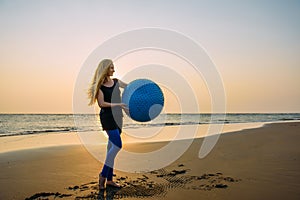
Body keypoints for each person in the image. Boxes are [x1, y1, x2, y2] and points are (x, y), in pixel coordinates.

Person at [87, 59, 127, 189]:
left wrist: (141, 88)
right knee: (117, 145)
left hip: (118, 117)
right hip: (107, 117)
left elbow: (128, 86)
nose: (113, 70)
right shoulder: (100, 87)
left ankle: (109, 180)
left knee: (111, 148)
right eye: (111, 68)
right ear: (105, 69)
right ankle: (103, 175)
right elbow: (102, 104)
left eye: (113, 68)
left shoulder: (116, 82)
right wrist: (119, 104)